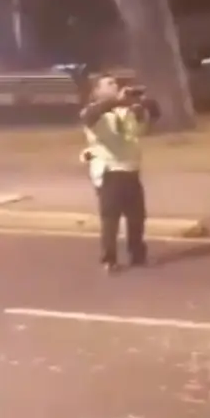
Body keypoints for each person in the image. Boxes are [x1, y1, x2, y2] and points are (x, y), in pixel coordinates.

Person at [79, 74, 160, 273]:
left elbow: (144, 125)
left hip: (131, 169)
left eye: (116, 82)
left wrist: (143, 104)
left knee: (137, 217)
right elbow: (88, 117)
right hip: (110, 171)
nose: (115, 85)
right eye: (109, 83)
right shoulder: (94, 112)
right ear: (96, 91)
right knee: (111, 219)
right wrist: (117, 101)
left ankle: (137, 255)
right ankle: (109, 259)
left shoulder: (125, 111)